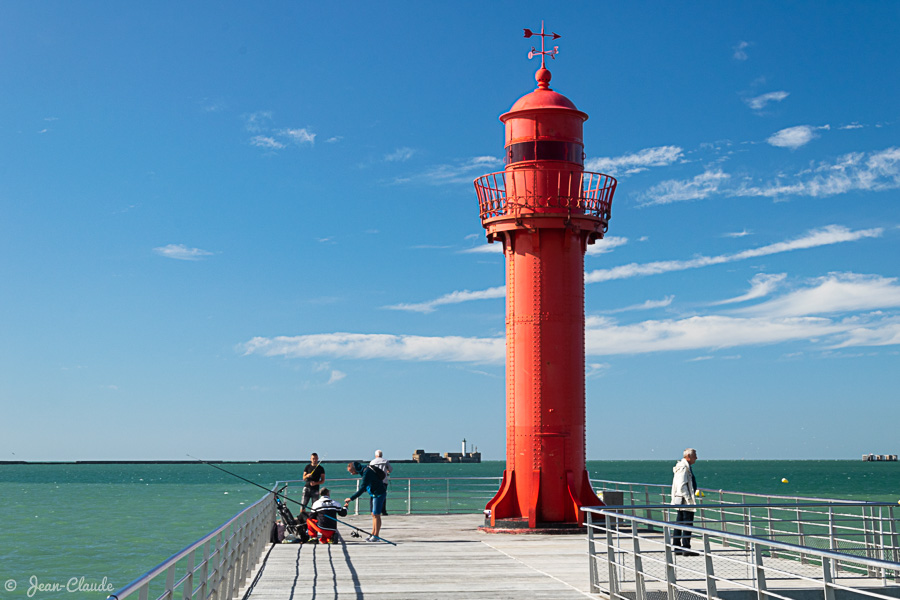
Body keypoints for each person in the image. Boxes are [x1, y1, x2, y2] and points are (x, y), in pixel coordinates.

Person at [344, 461, 387, 542]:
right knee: (373, 514)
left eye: (351, 472)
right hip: (373, 494)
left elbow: (362, 488)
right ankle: (373, 533)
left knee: (377, 515)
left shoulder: (366, 472)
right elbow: (368, 483)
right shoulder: (364, 470)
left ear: (355, 469)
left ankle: (376, 536)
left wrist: (351, 498)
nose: (352, 474)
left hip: (379, 494)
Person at [670, 447, 699, 556]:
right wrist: (689, 499)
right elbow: (682, 486)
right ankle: (686, 548)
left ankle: (677, 547)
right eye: (695, 455)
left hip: (681, 501)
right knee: (687, 524)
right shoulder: (683, 468)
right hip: (685, 502)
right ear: (688, 457)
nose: (696, 458)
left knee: (679, 523)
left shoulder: (683, 467)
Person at [369, 449, 392, 515]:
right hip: (383, 481)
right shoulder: (385, 461)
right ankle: (383, 511)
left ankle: (372, 510)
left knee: (373, 496)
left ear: (375, 455)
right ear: (381, 455)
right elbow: (390, 469)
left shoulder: (372, 462)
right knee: (383, 496)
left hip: (374, 482)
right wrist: (387, 471)